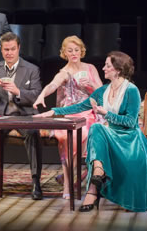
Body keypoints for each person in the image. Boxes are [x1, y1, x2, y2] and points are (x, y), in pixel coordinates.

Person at [34, 51, 147, 212]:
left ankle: (93, 188)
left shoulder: (131, 90)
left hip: (129, 138)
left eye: (107, 66)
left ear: (117, 70)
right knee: (96, 127)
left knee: (98, 127)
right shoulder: (104, 90)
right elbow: (80, 106)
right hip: (111, 134)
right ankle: (97, 172)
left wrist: (106, 114)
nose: (103, 68)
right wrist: (54, 111)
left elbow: (131, 123)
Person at [33, 35, 103, 199]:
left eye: (76, 50)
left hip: (88, 111)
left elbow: (102, 92)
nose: (73, 53)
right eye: (69, 50)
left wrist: (90, 84)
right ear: (64, 52)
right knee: (66, 135)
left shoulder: (90, 68)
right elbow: (53, 84)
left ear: (81, 51)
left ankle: (76, 177)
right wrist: (42, 95)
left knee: (85, 132)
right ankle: (68, 182)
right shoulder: (65, 72)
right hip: (71, 112)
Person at [0, 32, 43, 200]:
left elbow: (36, 95)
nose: (9, 53)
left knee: (33, 133)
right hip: (2, 116)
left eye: (12, 49)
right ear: (1, 49)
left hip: (25, 115)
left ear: (18, 48)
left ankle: (36, 182)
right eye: (6, 49)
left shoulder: (31, 69)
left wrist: (18, 91)